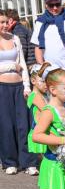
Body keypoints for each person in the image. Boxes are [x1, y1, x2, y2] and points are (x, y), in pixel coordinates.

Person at [0, 9, 35, 176]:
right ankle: (10, 161)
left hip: (19, 86)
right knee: (6, 125)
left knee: (24, 124)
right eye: (1, 22)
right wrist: (11, 66)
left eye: (6, 22)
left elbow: (22, 64)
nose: (5, 25)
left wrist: (27, 86)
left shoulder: (15, 38)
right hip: (2, 88)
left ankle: (29, 162)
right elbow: (15, 65)